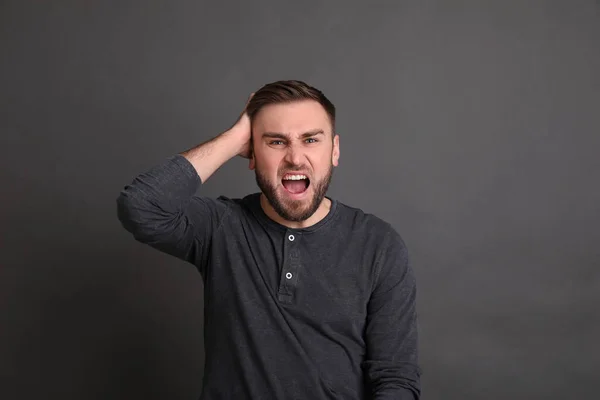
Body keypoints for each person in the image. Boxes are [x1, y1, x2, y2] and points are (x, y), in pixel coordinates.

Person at [116, 80, 421, 399]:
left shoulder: (379, 244)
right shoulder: (221, 227)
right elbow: (140, 207)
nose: (295, 158)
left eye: (311, 140)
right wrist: (233, 137)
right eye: (276, 142)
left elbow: (395, 377)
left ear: (334, 150)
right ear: (251, 154)